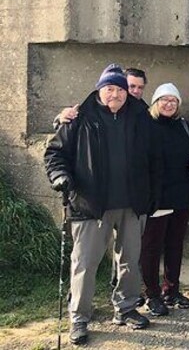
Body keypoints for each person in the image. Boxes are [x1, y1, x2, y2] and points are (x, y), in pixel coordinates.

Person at [44, 64, 161, 345]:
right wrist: (60, 176)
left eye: (120, 89)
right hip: (90, 204)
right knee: (85, 263)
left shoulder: (140, 116)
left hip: (132, 205)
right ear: (100, 90)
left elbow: (154, 158)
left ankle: (126, 308)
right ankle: (80, 318)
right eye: (110, 89)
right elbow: (54, 154)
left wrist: (152, 195)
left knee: (130, 261)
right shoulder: (79, 117)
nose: (116, 94)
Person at [141, 83, 189, 317]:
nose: (169, 104)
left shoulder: (185, 127)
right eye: (164, 100)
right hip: (157, 199)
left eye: (173, 100)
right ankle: (152, 294)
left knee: (175, 245)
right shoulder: (146, 126)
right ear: (156, 102)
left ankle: (172, 289)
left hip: (181, 197)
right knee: (151, 248)